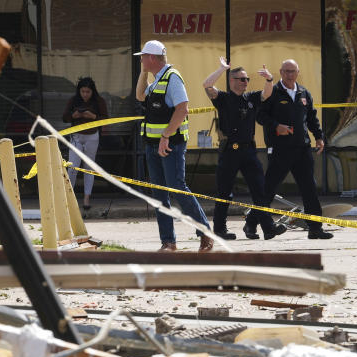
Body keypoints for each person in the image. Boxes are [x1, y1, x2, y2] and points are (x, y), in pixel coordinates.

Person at [134, 39, 213, 252]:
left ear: (151, 57)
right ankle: (168, 242)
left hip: (170, 145)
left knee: (177, 188)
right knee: (160, 195)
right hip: (153, 145)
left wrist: (166, 136)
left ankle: (205, 233)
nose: (141, 60)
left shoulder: (172, 78)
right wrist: (143, 73)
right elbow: (140, 95)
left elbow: (182, 109)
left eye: (143, 57)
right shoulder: (158, 79)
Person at [203, 57, 285, 241]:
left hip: (249, 150)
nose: (246, 82)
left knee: (259, 190)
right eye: (242, 79)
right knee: (224, 192)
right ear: (232, 81)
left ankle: (268, 228)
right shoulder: (223, 98)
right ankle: (220, 229)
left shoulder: (251, 98)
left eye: (247, 79)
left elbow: (267, 94)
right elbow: (207, 85)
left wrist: (270, 80)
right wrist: (221, 69)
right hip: (230, 151)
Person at [256, 59, 334, 240]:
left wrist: (319, 137)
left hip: (302, 149)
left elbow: (312, 118)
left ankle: (315, 228)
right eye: (286, 71)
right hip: (280, 148)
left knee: (309, 188)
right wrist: (276, 126)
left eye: (292, 71)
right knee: (269, 188)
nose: (289, 74)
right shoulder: (272, 92)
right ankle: (252, 223)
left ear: (298, 72)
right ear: (280, 72)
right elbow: (260, 116)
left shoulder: (303, 92)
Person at [62, 77, 109, 210]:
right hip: (76, 136)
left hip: (92, 136)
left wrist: (93, 117)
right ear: (79, 91)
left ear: (92, 91)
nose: (85, 95)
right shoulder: (73, 100)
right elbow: (64, 117)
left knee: (89, 168)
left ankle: (86, 197)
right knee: (72, 167)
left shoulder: (99, 101)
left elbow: (106, 119)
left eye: (88, 92)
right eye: (83, 91)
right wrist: (74, 116)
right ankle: (69, 198)